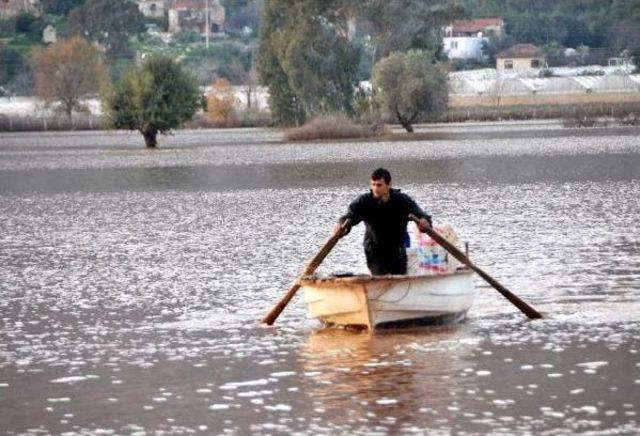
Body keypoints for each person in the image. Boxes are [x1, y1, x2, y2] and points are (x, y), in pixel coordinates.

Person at [334, 168, 432, 275]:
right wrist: (341, 226)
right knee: (382, 275)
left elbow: (421, 216)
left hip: (397, 251)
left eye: (379, 185)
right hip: (375, 252)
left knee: (398, 282)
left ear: (389, 184)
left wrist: (424, 222)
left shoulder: (402, 201)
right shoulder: (364, 202)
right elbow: (350, 217)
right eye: (373, 185)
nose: (375, 189)